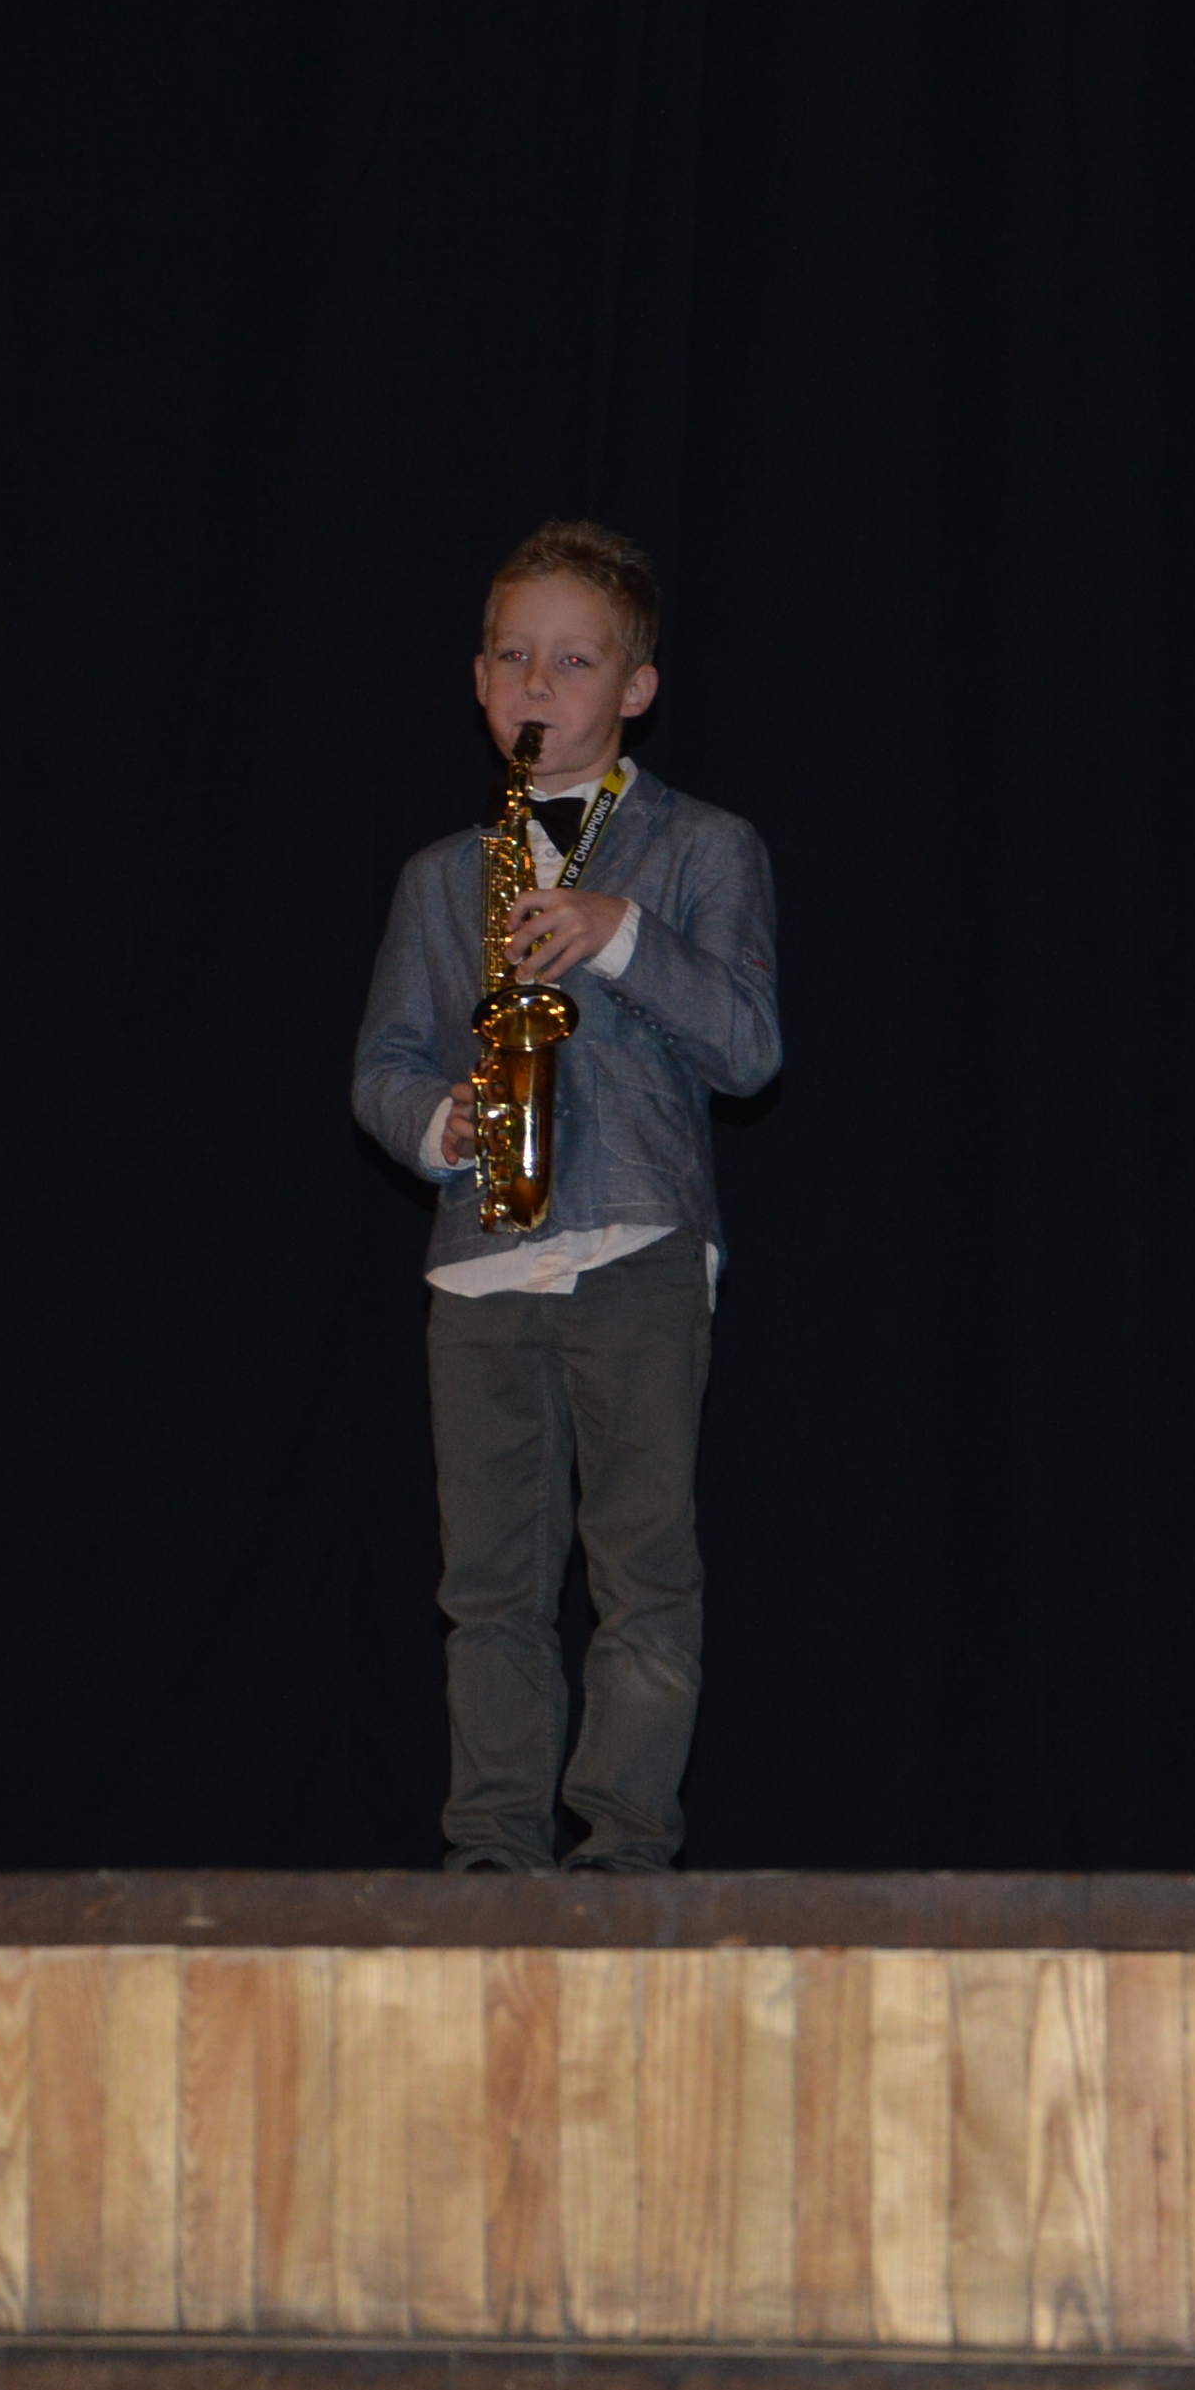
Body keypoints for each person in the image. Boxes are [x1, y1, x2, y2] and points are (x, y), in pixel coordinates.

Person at [352, 521, 783, 1872]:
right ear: (479, 680)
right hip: (481, 1259)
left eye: (575, 662)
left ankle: (623, 1853)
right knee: (488, 1585)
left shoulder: (702, 848)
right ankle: (492, 1853)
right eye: (514, 658)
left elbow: (751, 1047)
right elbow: (382, 1064)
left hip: (637, 1242)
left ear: (636, 688)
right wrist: (437, 1124)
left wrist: (624, 936)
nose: (539, 685)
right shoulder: (441, 877)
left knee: (643, 1570)